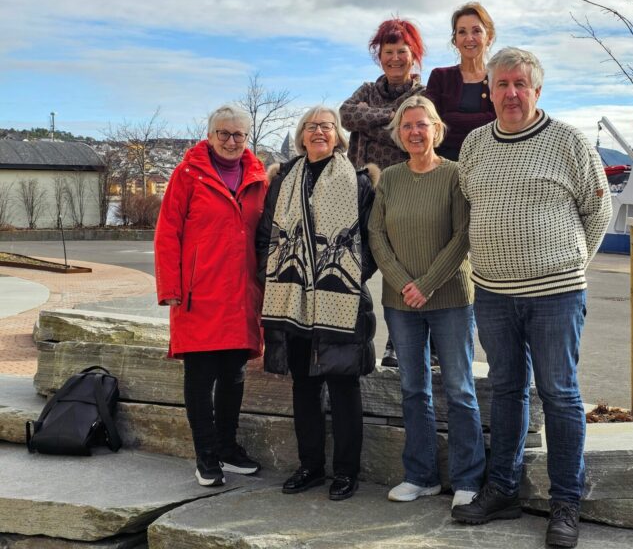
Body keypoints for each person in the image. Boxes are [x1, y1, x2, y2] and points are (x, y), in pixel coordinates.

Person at [451, 48, 612, 549]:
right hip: (494, 294)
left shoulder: (568, 141)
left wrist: (568, 268)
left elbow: (599, 211)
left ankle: (566, 502)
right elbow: (471, 208)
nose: (511, 93)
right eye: (502, 84)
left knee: (560, 395)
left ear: (537, 90)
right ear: (490, 91)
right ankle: (503, 489)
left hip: (556, 295)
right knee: (506, 390)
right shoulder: (476, 144)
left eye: (521, 84)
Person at [368, 95, 485, 511]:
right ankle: (420, 476)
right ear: (398, 134)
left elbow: (463, 235)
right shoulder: (392, 179)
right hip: (400, 303)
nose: (414, 132)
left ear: (437, 129)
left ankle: (469, 479)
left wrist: (428, 284)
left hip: (451, 298)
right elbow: (376, 236)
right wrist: (403, 284)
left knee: (459, 389)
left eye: (422, 124)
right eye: (407, 126)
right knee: (413, 388)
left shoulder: (456, 175)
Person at [256, 106, 377, 502]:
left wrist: (346, 277)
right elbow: (266, 234)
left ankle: (345, 472)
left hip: (338, 298)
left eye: (326, 126)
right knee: (304, 387)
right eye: (311, 126)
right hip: (292, 299)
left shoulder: (357, 181)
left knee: (343, 387)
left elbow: (369, 240)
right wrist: (273, 274)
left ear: (338, 135)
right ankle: (310, 466)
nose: (319, 131)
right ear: (301, 135)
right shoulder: (284, 180)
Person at [154, 104, 267, 487]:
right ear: (210, 135)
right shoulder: (187, 175)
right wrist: (170, 288)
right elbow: (167, 232)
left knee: (234, 375)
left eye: (239, 134)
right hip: (197, 293)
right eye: (224, 134)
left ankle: (227, 448)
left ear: (247, 137)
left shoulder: (258, 177)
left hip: (241, 292)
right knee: (200, 377)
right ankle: (206, 456)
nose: (232, 141)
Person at [341, 17, 426, 368]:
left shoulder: (422, 96)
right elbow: (346, 115)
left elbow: (407, 134)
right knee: (352, 267)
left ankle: (398, 344)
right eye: (388, 52)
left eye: (401, 52)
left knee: (400, 269)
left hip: (401, 193)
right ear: (380, 56)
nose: (395, 59)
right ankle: (347, 334)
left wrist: (372, 121)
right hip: (360, 192)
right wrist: (391, 116)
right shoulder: (365, 89)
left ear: (413, 55)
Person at [426, 2, 496, 162]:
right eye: (462, 32)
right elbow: (432, 123)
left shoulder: (498, 79)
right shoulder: (439, 77)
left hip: (489, 164)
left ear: (489, 37)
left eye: (477, 31)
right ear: (455, 40)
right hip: (444, 167)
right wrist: (486, 118)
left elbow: (502, 122)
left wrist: (449, 118)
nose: (469, 38)